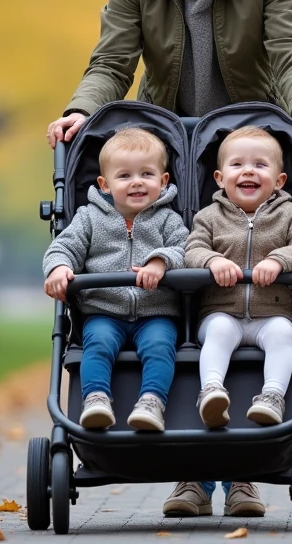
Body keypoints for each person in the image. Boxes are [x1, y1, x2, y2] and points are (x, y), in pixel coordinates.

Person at [44, 0, 292, 518]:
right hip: (165, 150)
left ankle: (240, 472)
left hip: (244, 153)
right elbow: (113, 56)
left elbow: (291, 48)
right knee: (176, 294)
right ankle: (187, 474)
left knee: (240, 293)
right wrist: (81, 111)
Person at [43, 128, 188, 432]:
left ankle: (151, 402)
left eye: (146, 174)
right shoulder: (90, 218)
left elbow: (186, 248)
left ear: (163, 182)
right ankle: (96, 398)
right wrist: (58, 268)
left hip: (156, 310)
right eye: (125, 176)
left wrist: (161, 260)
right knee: (97, 344)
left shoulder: (168, 218)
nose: (136, 182)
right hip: (104, 309)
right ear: (105, 185)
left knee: (161, 346)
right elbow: (64, 246)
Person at [187, 126, 292, 428]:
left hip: (273, 313)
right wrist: (212, 261)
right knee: (219, 331)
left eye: (260, 165)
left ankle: (273, 396)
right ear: (220, 178)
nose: (248, 171)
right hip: (221, 311)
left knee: (283, 335)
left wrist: (279, 260)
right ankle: (211, 390)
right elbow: (191, 249)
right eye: (237, 165)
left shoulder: (289, 216)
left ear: (279, 180)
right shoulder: (208, 217)